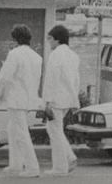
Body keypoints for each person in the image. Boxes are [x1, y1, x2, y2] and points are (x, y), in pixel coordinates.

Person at [0, 24, 42, 178]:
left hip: (16, 99)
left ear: (15, 38)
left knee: (20, 133)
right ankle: (15, 165)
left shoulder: (14, 54)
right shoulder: (37, 57)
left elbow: (6, 77)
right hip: (28, 99)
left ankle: (32, 168)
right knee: (13, 130)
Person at [43, 24, 81, 175]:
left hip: (56, 99)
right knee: (55, 130)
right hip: (67, 99)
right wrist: (75, 100)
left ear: (57, 39)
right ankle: (69, 157)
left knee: (54, 130)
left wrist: (47, 101)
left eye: (50, 39)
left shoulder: (56, 55)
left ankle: (60, 167)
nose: (48, 42)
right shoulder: (73, 56)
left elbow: (51, 79)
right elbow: (76, 80)